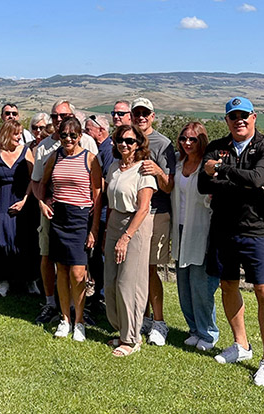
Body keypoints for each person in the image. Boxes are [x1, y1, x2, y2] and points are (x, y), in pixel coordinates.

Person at [198, 97, 264, 386]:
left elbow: (258, 178)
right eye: (233, 116)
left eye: (244, 115)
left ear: (254, 117)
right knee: (228, 285)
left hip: (256, 230)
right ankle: (241, 345)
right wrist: (241, 179)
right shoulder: (216, 147)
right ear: (227, 121)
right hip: (223, 229)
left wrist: (220, 171)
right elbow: (202, 184)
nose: (239, 120)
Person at [32, 100, 99, 325]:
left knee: (78, 272)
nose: (68, 139)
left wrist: (94, 227)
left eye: (73, 135)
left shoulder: (90, 157)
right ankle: (64, 318)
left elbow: (98, 193)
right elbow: (41, 182)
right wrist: (43, 202)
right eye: (64, 136)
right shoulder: (53, 155)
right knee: (60, 268)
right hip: (58, 216)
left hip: (80, 218)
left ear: (80, 136)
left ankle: (78, 319)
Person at [103, 124, 156, 356]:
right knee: (111, 281)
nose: (124, 144)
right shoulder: (114, 167)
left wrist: (126, 237)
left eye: (130, 141)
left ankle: (132, 338)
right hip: (114, 222)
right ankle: (121, 330)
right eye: (120, 140)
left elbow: (144, 208)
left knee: (129, 284)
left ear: (139, 144)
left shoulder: (143, 170)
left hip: (135, 226)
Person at [171, 122, 220, 351]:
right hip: (180, 228)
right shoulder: (179, 163)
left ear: (202, 140)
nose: (187, 143)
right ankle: (193, 328)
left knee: (201, 285)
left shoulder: (207, 167)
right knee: (184, 283)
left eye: (193, 139)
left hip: (201, 229)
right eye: (183, 138)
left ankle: (208, 333)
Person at [131, 97, 176, 346]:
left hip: (156, 213)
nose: (140, 117)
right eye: (136, 112)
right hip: (133, 212)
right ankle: (143, 317)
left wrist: (158, 170)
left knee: (149, 269)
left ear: (152, 116)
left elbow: (168, 187)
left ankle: (158, 322)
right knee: (136, 270)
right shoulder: (127, 137)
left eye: (145, 113)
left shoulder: (163, 143)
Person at [0, 120, 35, 296]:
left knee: (24, 242)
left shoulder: (26, 152)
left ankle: (29, 281)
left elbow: (33, 179)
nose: (19, 137)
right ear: (6, 134)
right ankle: (3, 282)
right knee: (1, 242)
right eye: (15, 134)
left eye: (20, 133)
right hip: (1, 202)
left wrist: (25, 201)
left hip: (21, 202)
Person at [84, 114, 116, 308]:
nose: (86, 134)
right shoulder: (98, 148)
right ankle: (98, 293)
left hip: (104, 209)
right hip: (98, 207)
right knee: (95, 256)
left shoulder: (107, 150)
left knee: (102, 254)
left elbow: (107, 183)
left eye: (88, 130)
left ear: (101, 130)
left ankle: (103, 295)